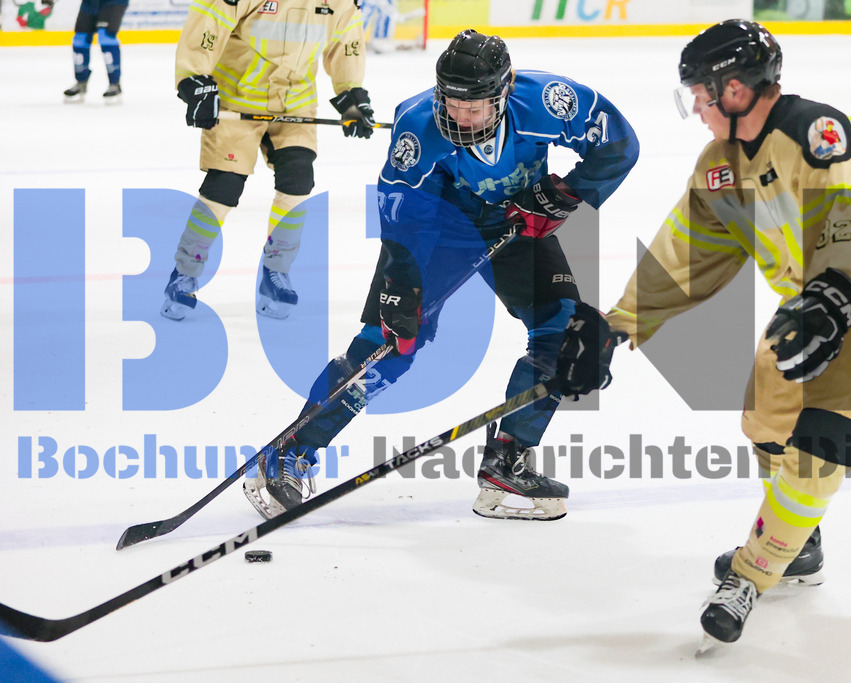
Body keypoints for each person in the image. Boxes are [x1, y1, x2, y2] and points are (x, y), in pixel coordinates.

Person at [555, 19, 851, 647]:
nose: (697, 111)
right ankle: (798, 543)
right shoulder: (720, 166)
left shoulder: (817, 135)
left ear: (735, 91)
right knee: (767, 423)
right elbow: (686, 256)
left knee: (823, 441)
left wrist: (835, 293)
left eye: (700, 97)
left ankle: (752, 572)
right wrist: (618, 323)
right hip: (812, 309)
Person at [241, 29, 639, 521]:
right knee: (390, 343)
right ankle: (290, 452)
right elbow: (403, 212)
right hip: (439, 228)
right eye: (451, 103)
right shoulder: (417, 125)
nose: (460, 117)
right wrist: (401, 285)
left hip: (518, 218)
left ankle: (506, 464)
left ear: (506, 90)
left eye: (474, 107)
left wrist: (565, 193)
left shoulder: (552, 102)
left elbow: (619, 145)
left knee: (560, 335)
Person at [160, 0, 376, 321]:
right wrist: (195, 80)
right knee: (224, 185)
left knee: (299, 179)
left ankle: (276, 272)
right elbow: (209, 20)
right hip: (237, 99)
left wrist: (352, 95)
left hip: (294, 103)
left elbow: (346, 40)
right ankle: (184, 272)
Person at [59, 0, 129, 103]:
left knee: (106, 36)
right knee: (80, 38)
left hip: (114, 2)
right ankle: (81, 81)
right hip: (90, 2)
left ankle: (115, 84)